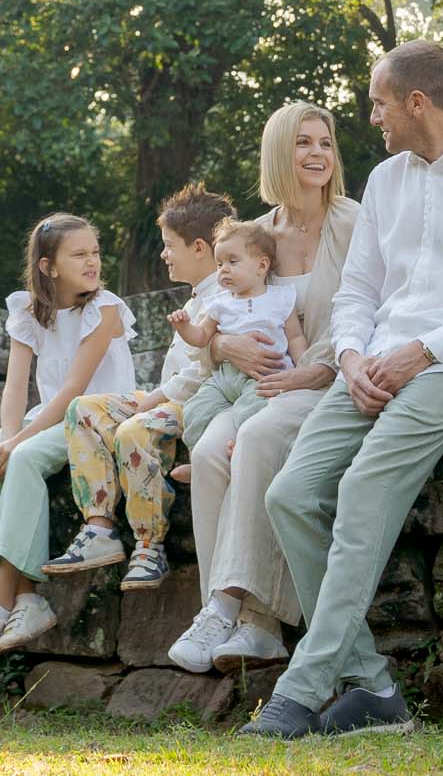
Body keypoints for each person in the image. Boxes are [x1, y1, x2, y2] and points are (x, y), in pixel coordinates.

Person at [243, 39, 443, 740]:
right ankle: (375, 686)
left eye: (379, 101)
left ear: (416, 101)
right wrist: (350, 355)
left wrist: (425, 349)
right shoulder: (385, 179)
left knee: (363, 488)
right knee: (290, 493)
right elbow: (359, 289)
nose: (372, 115)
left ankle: (305, 686)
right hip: (372, 365)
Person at [166, 101, 360, 677]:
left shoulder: (357, 224)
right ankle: (225, 618)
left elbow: (377, 310)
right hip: (260, 383)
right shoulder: (256, 236)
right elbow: (217, 317)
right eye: (303, 143)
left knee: (257, 439)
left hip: (331, 379)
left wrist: (318, 368)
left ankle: (252, 618)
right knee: (205, 452)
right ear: (279, 153)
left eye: (325, 143)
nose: (318, 154)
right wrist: (222, 347)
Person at [0, 213, 137, 658]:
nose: (92, 262)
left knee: (25, 459)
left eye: (95, 252)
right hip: (48, 417)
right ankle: (27, 598)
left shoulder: (104, 309)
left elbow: (73, 390)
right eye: (79, 254)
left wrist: (19, 445)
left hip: (95, 418)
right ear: (48, 266)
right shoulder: (28, 311)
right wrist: (9, 437)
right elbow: (14, 387)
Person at [44, 183, 233, 592]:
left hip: (197, 404)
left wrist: (153, 400)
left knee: (134, 430)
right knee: (83, 409)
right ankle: (98, 528)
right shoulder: (199, 294)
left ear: (199, 247)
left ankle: (149, 545)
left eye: (169, 245)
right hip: (167, 395)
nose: (163, 253)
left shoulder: (227, 296)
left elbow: (204, 373)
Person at [170, 221, 304, 459]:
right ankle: (194, 456)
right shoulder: (219, 303)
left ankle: (239, 447)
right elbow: (201, 337)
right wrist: (183, 327)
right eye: (219, 263)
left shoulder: (281, 299)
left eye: (233, 261)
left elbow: (295, 337)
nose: (223, 270)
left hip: (264, 377)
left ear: (262, 266)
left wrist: (304, 368)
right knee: (196, 408)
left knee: (254, 409)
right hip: (224, 377)